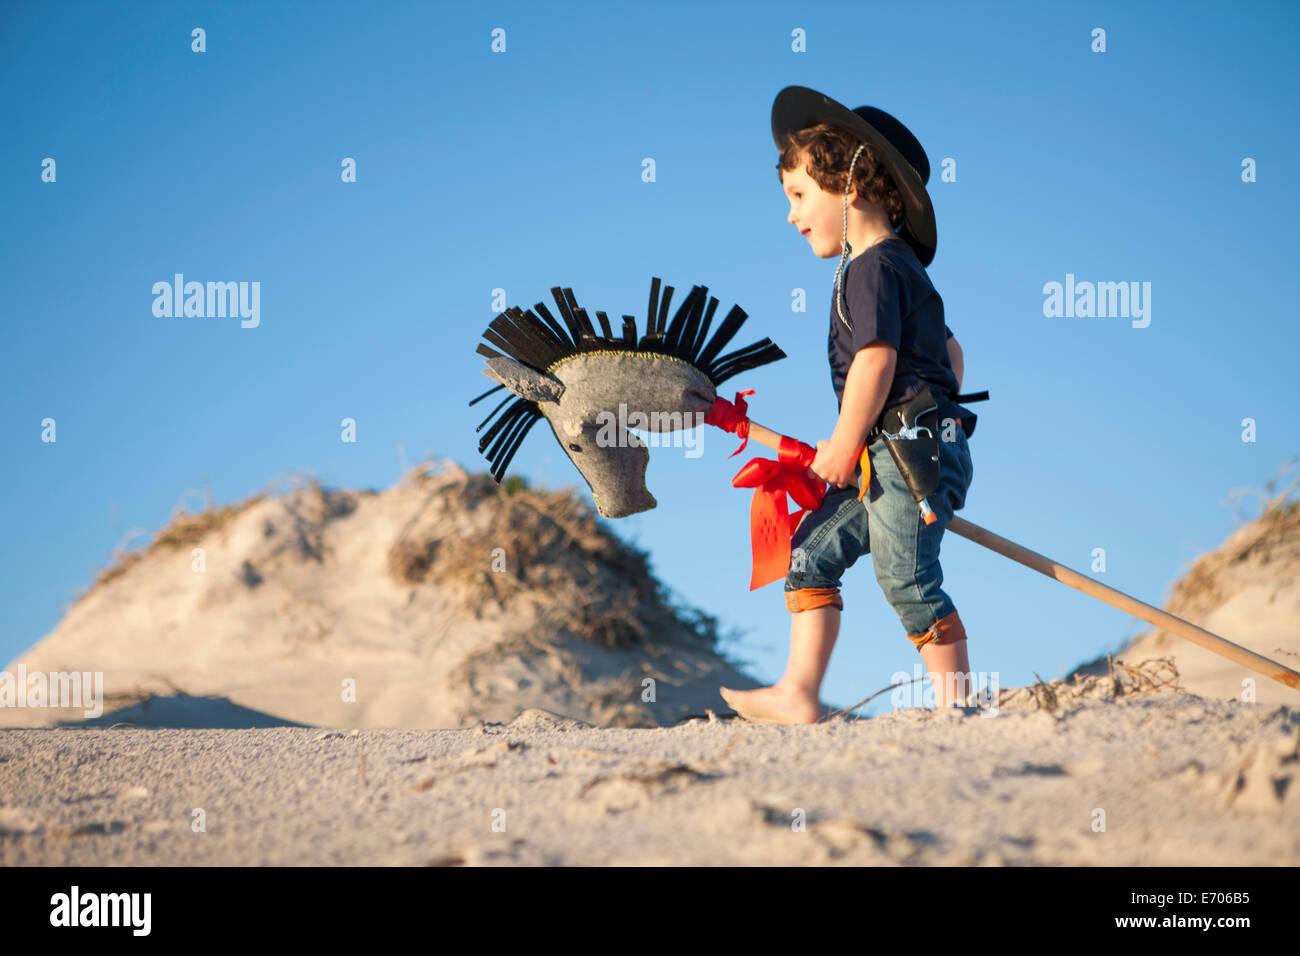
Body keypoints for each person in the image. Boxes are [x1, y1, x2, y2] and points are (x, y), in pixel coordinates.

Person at [720, 87, 984, 723]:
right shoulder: (893, 269)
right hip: (898, 451)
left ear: (853, 184)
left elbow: (876, 360)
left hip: (907, 459)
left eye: (800, 196)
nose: (791, 215)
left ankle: (959, 709)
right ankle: (799, 692)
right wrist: (909, 423)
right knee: (811, 554)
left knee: (907, 579)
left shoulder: (872, 267)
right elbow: (951, 356)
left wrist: (846, 441)